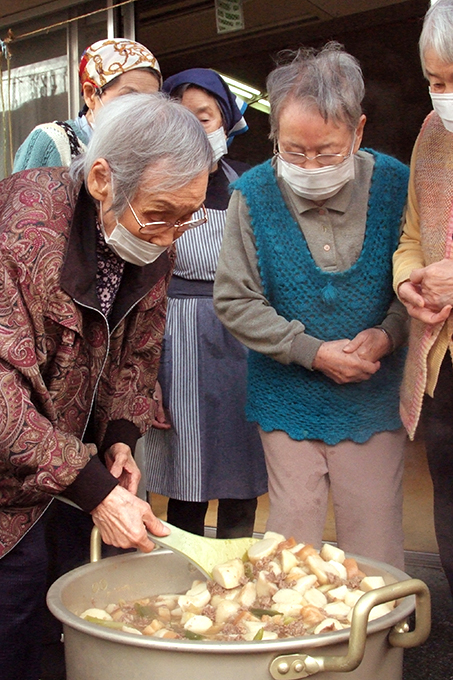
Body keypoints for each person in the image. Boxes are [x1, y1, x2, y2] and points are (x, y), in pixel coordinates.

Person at [0, 92, 212, 680]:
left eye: (187, 216)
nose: (172, 234)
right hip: (9, 484)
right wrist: (94, 489)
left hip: (69, 470)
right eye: (163, 213)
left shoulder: (148, 233)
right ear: (101, 178)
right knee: (11, 620)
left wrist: (119, 434)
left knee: (68, 618)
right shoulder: (22, 227)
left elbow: (140, 351)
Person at [214, 42, 409, 568]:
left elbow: (413, 284)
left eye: (326, 152)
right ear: (274, 134)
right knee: (291, 542)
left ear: (359, 132)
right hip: (286, 396)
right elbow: (235, 298)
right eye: (293, 151)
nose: (308, 165)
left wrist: (389, 333)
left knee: (374, 541)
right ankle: (291, 649)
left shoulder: (396, 185)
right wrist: (311, 351)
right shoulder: (252, 194)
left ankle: (379, 648)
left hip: (374, 396)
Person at [145, 68, 267, 538]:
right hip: (174, 336)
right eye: (183, 116)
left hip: (240, 336)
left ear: (227, 121)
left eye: (206, 115)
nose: (196, 128)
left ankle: (239, 561)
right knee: (185, 468)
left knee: (241, 460)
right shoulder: (157, 187)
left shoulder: (246, 187)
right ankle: (185, 567)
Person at [393, 0, 453, 598]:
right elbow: (413, 234)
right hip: (442, 361)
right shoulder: (433, 134)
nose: (445, 96)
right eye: (437, 81)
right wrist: (408, 278)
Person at [13, 37, 161, 171]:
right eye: (129, 96)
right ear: (90, 94)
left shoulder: (150, 153)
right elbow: (22, 198)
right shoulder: (53, 142)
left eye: (150, 101)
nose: (141, 110)